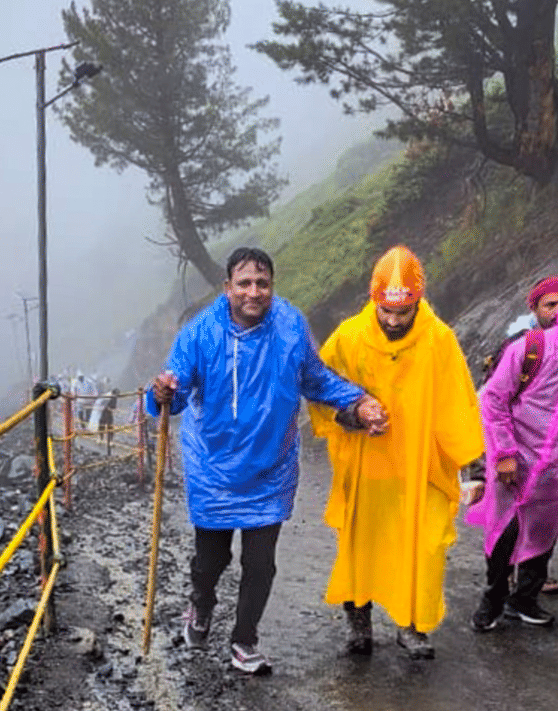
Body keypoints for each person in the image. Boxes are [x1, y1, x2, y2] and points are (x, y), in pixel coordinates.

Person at [147, 247, 387, 676]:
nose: (253, 292)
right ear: (228, 288)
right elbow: (175, 390)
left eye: (262, 283)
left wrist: (358, 401)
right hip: (213, 469)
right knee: (211, 562)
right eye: (244, 283)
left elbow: (314, 378)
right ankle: (201, 606)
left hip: (270, 469)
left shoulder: (290, 324)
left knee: (260, 563)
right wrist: (162, 392)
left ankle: (244, 640)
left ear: (272, 287)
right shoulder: (200, 332)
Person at [309, 245, 485, 660]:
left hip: (420, 469)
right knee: (360, 547)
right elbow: (317, 387)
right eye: (385, 311)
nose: (391, 320)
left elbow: (459, 405)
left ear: (417, 300)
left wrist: (473, 469)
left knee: (421, 548)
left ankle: (412, 627)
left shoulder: (439, 340)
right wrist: (352, 414)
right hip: (366, 466)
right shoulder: (349, 337)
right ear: (374, 299)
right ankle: (359, 626)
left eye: (402, 312)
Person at [466, 268, 558, 631]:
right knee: (503, 531)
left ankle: (525, 599)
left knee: (544, 532)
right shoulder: (530, 349)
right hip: (515, 460)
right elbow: (493, 401)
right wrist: (502, 454)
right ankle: (494, 599)